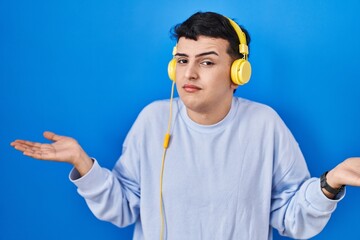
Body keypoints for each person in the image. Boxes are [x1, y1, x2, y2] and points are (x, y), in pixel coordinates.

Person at [10, 11, 360, 240]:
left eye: (206, 62)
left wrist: (330, 183)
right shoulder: (152, 120)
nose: (189, 73)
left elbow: (291, 218)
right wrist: (82, 164)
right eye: (181, 61)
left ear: (239, 73)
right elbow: (123, 208)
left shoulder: (264, 124)